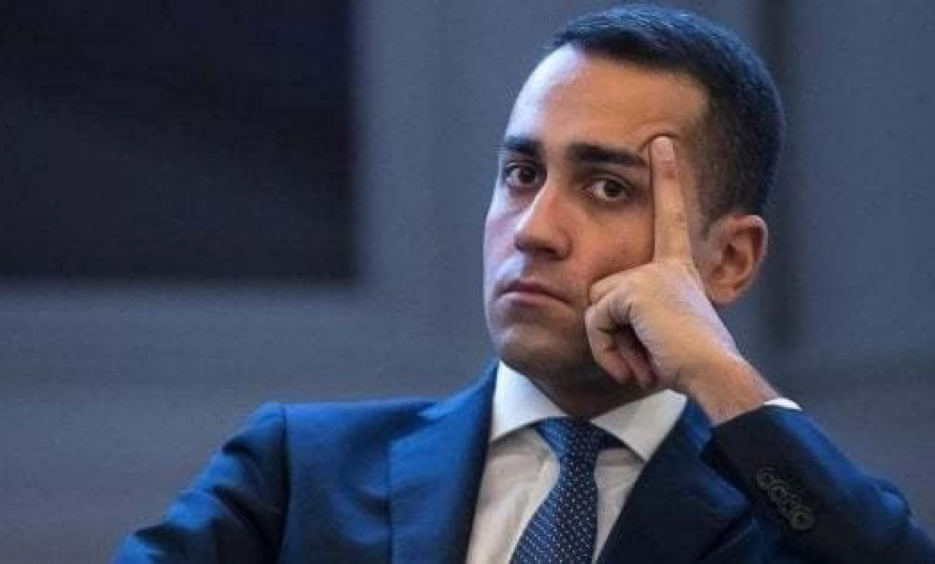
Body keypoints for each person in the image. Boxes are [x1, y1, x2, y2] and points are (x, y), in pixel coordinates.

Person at [115, 5, 935, 563]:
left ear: (729, 261)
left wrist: (721, 376)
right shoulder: (297, 475)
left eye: (608, 187)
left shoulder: (784, 517)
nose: (536, 228)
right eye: (521, 173)